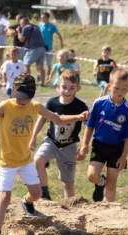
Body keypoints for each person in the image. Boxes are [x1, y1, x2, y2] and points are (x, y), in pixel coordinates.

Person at [0, 73, 89, 235]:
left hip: (25, 160)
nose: (23, 101)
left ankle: (26, 202)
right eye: (19, 96)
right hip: (6, 162)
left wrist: (78, 117)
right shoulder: (5, 106)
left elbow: (57, 119)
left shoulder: (36, 107)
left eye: (27, 97)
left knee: (36, 194)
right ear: (13, 93)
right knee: (4, 198)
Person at [79, 68, 128, 203]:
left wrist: (123, 157)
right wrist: (84, 145)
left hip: (117, 149)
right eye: (116, 88)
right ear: (109, 86)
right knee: (92, 175)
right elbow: (90, 125)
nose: (120, 91)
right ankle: (100, 183)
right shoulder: (99, 103)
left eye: (124, 88)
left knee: (112, 183)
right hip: (99, 145)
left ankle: (106, 212)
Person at [30, 69, 89, 200]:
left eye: (71, 88)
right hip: (51, 141)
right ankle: (44, 192)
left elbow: (89, 127)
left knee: (67, 184)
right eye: (64, 87)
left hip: (69, 147)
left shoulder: (80, 106)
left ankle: (70, 206)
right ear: (58, 87)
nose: (67, 91)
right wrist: (33, 136)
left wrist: (84, 146)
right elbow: (42, 118)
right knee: (38, 161)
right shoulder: (52, 103)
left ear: (78, 89)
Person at [17, 16, 46, 86]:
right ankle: (42, 83)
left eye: (21, 24)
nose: (20, 26)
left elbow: (21, 39)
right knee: (40, 66)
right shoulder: (35, 27)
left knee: (26, 64)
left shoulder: (26, 27)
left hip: (34, 48)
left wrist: (18, 31)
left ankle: (28, 82)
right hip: (42, 48)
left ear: (23, 23)